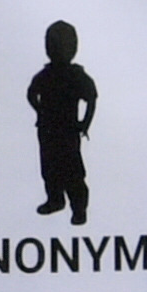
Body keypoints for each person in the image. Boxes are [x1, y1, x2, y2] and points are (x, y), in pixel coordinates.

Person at [29, 20, 98, 223]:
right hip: (49, 131)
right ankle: (55, 200)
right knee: (49, 169)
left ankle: (79, 209)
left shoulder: (75, 75)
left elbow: (91, 98)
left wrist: (84, 124)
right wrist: (40, 112)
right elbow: (31, 94)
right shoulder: (46, 75)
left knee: (73, 171)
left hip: (67, 132)